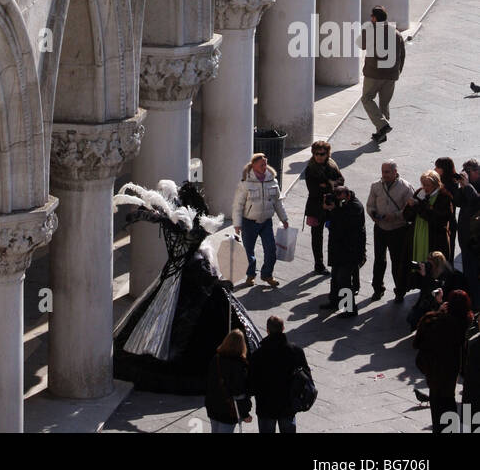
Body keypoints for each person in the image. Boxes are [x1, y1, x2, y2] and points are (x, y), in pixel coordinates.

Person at [113, 180, 262, 395]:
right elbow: (169, 225)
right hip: (185, 276)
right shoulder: (182, 226)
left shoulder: (182, 227)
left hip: (186, 277)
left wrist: (144, 216)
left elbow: (168, 225)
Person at [414, 289, 475, 434]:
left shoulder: (438, 322)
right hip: (452, 370)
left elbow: (418, 340)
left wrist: (438, 310)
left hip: (436, 370)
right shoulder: (465, 323)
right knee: (449, 403)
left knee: (438, 407)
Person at [232, 152, 289, 288]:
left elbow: (278, 202)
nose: (265, 167)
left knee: (271, 250)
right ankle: (250, 275)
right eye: (261, 164)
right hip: (249, 222)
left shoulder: (272, 180)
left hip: (266, 222)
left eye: (265, 164)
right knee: (248, 252)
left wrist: (284, 218)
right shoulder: (245, 183)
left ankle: (267, 275)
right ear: (254, 166)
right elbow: (238, 205)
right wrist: (237, 225)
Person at [249, 315, 313, 434]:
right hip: (288, 404)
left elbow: (251, 382)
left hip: (265, 406)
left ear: (267, 330)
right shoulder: (295, 351)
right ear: (283, 328)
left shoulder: (258, 354)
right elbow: (306, 375)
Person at [366, 160, 413, 302]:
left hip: (398, 229)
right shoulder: (375, 186)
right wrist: (373, 214)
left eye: (387, 172)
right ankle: (377, 289)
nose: (384, 175)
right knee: (379, 260)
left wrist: (395, 216)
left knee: (397, 261)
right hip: (380, 228)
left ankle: (399, 291)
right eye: (383, 171)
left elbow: (409, 209)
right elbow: (370, 205)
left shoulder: (406, 187)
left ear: (395, 172)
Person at [359, 5, 406, 143]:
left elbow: (362, 45)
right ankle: (381, 133)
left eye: (371, 16)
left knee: (367, 99)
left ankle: (382, 126)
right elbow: (402, 55)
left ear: (374, 18)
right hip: (391, 75)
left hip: (373, 74)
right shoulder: (396, 33)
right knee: (384, 104)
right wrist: (397, 72)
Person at [321, 185, 366, 316]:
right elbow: (331, 221)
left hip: (350, 250)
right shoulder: (341, 204)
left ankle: (350, 308)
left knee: (344, 279)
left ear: (347, 195)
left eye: (339, 197)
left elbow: (344, 225)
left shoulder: (356, 207)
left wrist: (333, 210)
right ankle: (334, 301)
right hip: (338, 248)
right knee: (335, 277)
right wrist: (328, 209)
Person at [303, 141, 343, 276]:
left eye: (322, 154)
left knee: (335, 235)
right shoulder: (310, 168)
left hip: (331, 206)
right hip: (316, 207)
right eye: (316, 154)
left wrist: (325, 185)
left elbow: (341, 181)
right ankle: (319, 264)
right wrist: (330, 184)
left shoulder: (331, 164)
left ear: (327, 154)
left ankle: (334, 262)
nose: (319, 156)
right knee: (317, 237)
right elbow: (313, 190)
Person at [405, 170, 455, 271]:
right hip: (417, 234)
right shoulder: (420, 192)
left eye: (428, 185)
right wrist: (410, 207)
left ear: (436, 184)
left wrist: (418, 206)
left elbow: (438, 219)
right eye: (423, 184)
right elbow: (407, 216)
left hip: (435, 238)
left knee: (433, 269)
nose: (425, 187)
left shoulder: (444, 196)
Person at [205, 329, 253, 434]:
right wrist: (245, 414)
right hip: (228, 410)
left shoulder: (216, 359)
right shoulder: (239, 365)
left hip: (214, 406)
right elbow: (239, 393)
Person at [407, 251, 469, 331]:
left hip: (443, 303)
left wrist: (426, 277)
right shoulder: (431, 270)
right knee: (411, 318)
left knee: (426, 321)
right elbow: (417, 286)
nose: (428, 265)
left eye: (430, 264)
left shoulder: (448, 275)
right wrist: (419, 274)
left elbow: (435, 291)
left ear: (437, 265)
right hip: (431, 301)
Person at [454, 159, 480, 310]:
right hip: (465, 237)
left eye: (468, 172)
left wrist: (467, 186)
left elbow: (476, 201)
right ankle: (473, 304)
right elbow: (457, 202)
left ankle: (477, 306)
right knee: (469, 274)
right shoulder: (466, 184)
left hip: (477, 239)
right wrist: (460, 186)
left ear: (476, 172)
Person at [435, 158, 461, 260]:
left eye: (438, 167)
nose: (435, 169)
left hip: (448, 224)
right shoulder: (441, 180)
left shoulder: (451, 184)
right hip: (440, 222)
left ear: (444, 169)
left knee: (447, 255)